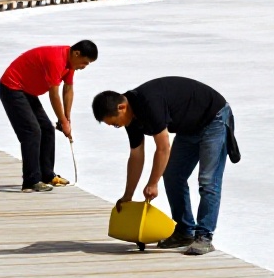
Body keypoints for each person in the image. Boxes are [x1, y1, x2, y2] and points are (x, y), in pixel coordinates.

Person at [92, 77, 237, 256]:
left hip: (213, 119)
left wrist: (152, 183)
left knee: (208, 181)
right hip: (188, 127)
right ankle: (184, 232)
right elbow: (136, 155)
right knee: (172, 176)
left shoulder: (148, 103)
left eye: (115, 123)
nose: (117, 126)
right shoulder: (131, 118)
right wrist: (128, 195)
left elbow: (163, 147)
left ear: (122, 107)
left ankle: (204, 236)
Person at [0, 41, 97, 192]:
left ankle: (46, 175)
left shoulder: (70, 63)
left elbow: (68, 89)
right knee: (32, 131)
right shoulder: (56, 60)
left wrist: (66, 119)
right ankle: (31, 181)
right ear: (77, 53)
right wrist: (63, 121)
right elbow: (54, 95)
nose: (84, 66)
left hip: (27, 91)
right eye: (85, 62)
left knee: (47, 129)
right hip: (12, 88)